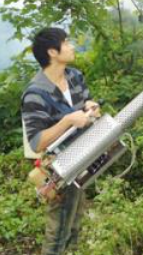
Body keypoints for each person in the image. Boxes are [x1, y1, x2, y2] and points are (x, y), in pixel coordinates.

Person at [21, 27, 100, 255]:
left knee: (75, 222)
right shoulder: (35, 94)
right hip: (58, 169)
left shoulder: (75, 77)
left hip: (82, 159)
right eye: (66, 42)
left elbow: (87, 102)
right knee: (58, 229)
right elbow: (37, 142)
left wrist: (90, 107)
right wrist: (67, 121)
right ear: (52, 52)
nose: (72, 46)